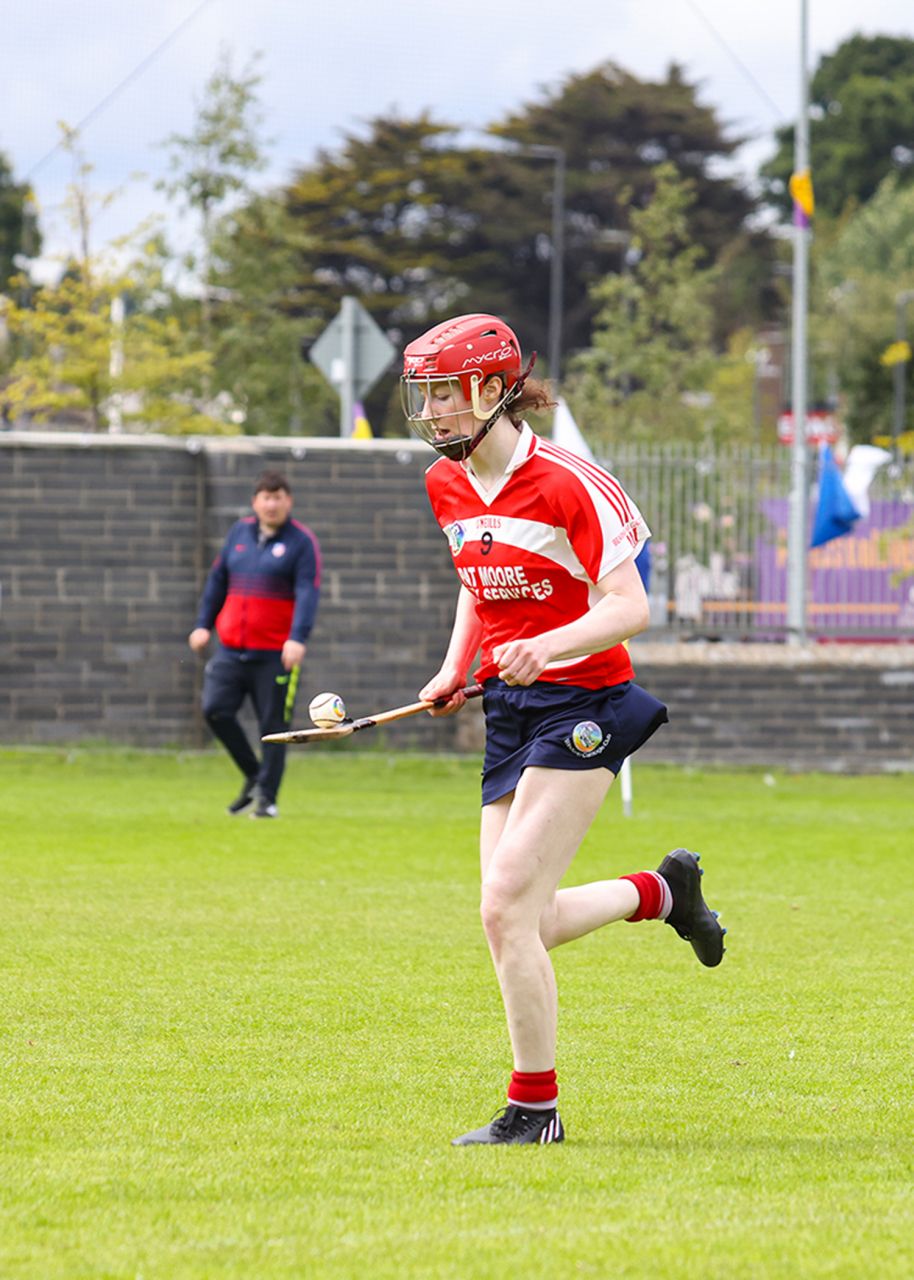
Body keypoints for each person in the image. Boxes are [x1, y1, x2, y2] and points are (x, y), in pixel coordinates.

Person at [400, 313, 726, 1146]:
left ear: (491, 389)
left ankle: (534, 1110)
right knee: (521, 920)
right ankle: (660, 893)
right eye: (425, 395)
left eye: (446, 394)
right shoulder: (447, 484)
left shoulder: (571, 483)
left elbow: (631, 607)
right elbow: (483, 582)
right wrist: (453, 667)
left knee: (507, 906)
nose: (434, 412)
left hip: (585, 704)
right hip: (511, 712)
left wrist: (542, 647)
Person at [188, 470, 321, 819]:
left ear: (288, 501)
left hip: (275, 654)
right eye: (266, 497)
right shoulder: (239, 534)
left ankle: (267, 800)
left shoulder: (301, 542)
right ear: (255, 502)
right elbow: (218, 581)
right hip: (231, 649)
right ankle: (253, 773)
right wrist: (203, 625)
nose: (272, 504)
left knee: (273, 727)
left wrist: (297, 637)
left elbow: (308, 592)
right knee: (214, 710)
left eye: (278, 497)